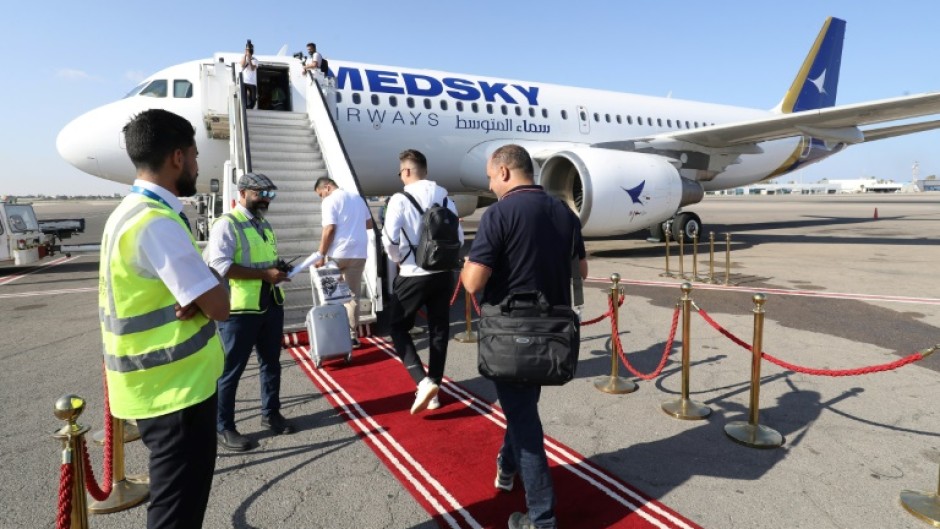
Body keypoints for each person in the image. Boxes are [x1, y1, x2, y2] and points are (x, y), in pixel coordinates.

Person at [99, 109, 230, 529]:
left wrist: (198, 289)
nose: (196, 164)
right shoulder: (157, 222)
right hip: (176, 393)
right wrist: (208, 280)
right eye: (193, 155)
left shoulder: (129, 212)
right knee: (176, 515)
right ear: (177, 157)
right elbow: (220, 305)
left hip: (152, 387)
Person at [461, 144, 587, 529]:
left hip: (510, 337)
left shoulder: (498, 214)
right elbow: (580, 272)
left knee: (526, 424)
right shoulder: (565, 213)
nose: (489, 183)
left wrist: (468, 265)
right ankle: (506, 467)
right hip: (550, 337)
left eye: (488, 176)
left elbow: (473, 282)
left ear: (503, 172)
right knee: (522, 410)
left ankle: (541, 518)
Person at [204, 172, 295, 452]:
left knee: (271, 363)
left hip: (269, 303)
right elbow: (219, 264)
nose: (266, 199)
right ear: (242, 193)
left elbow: (262, 261)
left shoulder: (264, 224)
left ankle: (271, 414)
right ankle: (224, 427)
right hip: (240, 310)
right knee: (231, 370)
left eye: (270, 194)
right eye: (260, 194)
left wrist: (277, 268)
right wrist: (264, 275)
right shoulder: (227, 224)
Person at [382, 149, 464, 414]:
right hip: (443, 273)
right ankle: (435, 390)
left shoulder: (400, 198)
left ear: (406, 171)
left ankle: (422, 380)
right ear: (425, 171)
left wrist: (401, 259)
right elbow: (459, 237)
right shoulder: (445, 197)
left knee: (397, 327)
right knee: (439, 331)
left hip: (413, 275)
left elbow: (390, 240)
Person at [313, 177, 374, 347]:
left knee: (330, 294)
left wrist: (321, 254)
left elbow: (329, 229)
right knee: (352, 296)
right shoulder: (358, 199)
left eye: (320, 194)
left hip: (337, 254)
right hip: (359, 253)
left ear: (327, 187)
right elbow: (369, 224)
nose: (322, 198)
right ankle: (352, 336)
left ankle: (333, 335)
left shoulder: (329, 201)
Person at [240, 40, 258, 109]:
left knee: (253, 99)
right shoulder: (243, 58)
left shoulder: (255, 60)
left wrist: (249, 59)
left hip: (252, 82)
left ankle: (250, 107)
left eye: (249, 50)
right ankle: (245, 107)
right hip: (244, 81)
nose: (248, 52)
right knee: (244, 97)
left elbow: (252, 68)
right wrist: (245, 55)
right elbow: (242, 64)